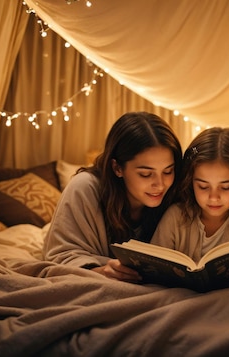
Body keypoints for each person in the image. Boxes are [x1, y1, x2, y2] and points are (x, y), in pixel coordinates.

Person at [43, 111, 183, 282]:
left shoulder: (175, 191)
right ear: (117, 168)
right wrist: (100, 271)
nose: (160, 184)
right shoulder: (85, 187)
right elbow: (59, 256)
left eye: (168, 171)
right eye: (146, 174)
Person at [151, 127, 229, 262]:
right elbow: (154, 265)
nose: (214, 197)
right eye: (203, 187)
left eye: (226, 187)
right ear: (191, 182)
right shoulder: (175, 216)